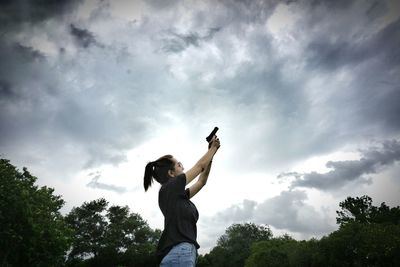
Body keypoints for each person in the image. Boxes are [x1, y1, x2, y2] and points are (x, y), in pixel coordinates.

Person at [143, 135, 221, 266]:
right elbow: (199, 167)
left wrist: (211, 155)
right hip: (180, 253)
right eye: (179, 165)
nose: (183, 167)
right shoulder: (171, 186)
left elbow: (201, 181)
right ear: (171, 173)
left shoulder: (176, 195)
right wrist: (213, 148)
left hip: (181, 254)